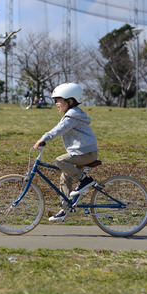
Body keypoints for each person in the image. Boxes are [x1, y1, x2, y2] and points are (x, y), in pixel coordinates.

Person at [32, 82, 98, 222]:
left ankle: (85, 180)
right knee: (65, 177)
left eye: (59, 100)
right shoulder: (72, 114)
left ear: (70, 101)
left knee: (60, 160)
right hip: (82, 152)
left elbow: (59, 129)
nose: (56, 104)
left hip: (85, 153)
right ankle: (66, 208)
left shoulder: (73, 115)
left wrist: (44, 138)